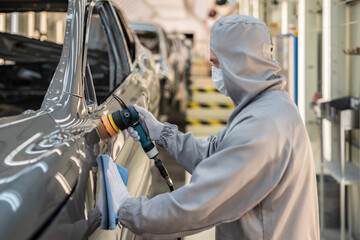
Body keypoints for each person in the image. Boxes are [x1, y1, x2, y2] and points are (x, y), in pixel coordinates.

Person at [113, 15, 320, 239]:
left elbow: (200, 204)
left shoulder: (263, 125)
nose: (213, 71)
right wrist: (162, 133)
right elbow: (218, 157)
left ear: (238, 63)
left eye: (216, 63)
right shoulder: (267, 106)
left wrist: (126, 209)